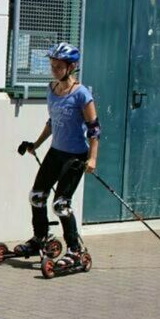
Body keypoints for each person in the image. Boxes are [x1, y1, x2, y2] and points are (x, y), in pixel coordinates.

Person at [17, 42, 100, 263]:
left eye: (59, 66)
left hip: (75, 156)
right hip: (55, 152)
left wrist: (92, 158)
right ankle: (40, 238)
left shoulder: (82, 94)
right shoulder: (51, 89)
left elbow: (94, 129)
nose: (54, 70)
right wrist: (36, 144)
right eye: (52, 66)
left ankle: (74, 249)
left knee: (60, 204)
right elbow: (53, 121)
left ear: (71, 67)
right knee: (37, 197)